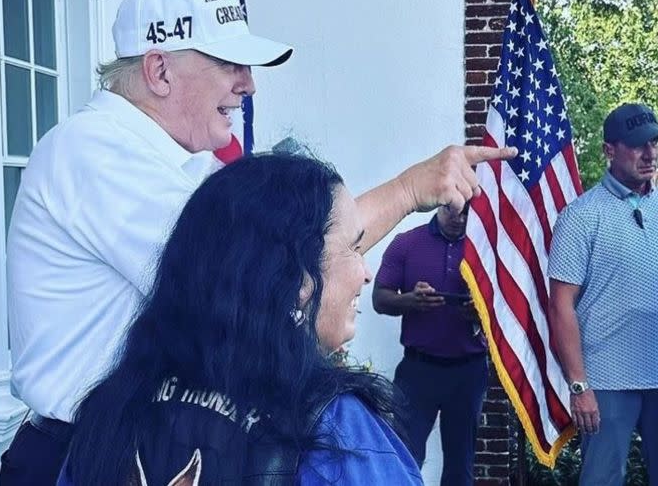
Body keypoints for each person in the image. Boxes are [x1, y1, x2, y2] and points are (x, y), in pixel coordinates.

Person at [1, 0, 514, 485]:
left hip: (151, 434)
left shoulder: (185, 162)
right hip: (81, 453)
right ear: (159, 71)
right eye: (230, 63)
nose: (248, 83)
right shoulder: (93, 152)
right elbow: (261, 267)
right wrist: (406, 191)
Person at [58, 153, 421, 484]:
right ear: (296, 279)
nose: (366, 272)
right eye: (354, 248)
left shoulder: (112, 409)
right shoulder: (334, 430)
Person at [547, 103, 658, 486]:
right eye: (637, 145)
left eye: (654, 143)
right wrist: (579, 385)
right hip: (607, 380)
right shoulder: (580, 216)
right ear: (609, 150)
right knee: (601, 480)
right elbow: (561, 304)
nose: (650, 154)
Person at [372, 205, 488, 486]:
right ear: (440, 203)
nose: (458, 220)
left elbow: (509, 310)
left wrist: (482, 310)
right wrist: (410, 300)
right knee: (404, 457)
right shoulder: (407, 243)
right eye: (452, 211)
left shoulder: (484, 247)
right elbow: (380, 299)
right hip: (417, 370)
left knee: (460, 467)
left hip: (468, 371)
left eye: (465, 214)